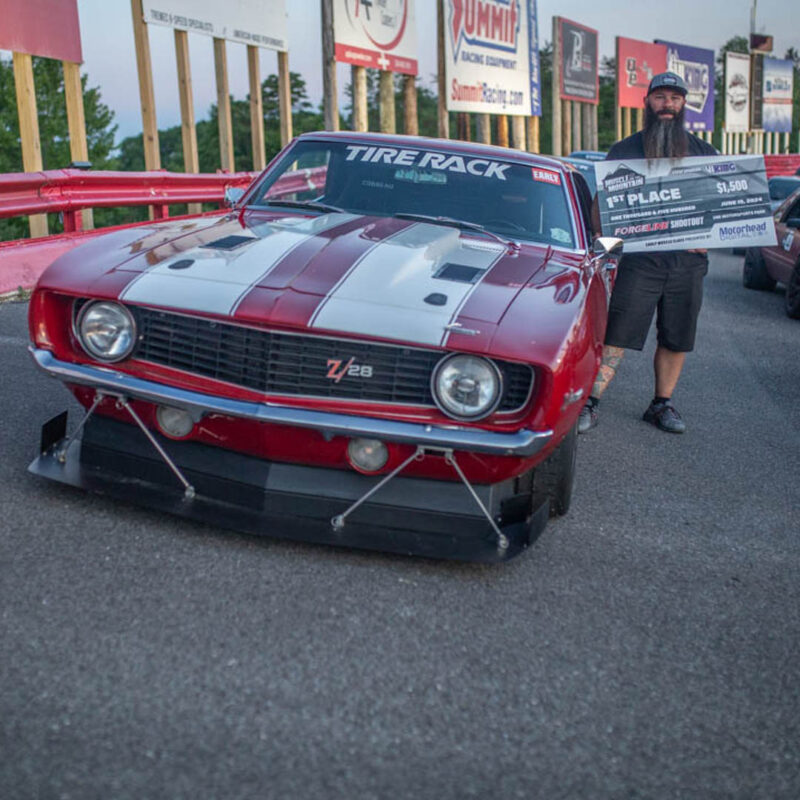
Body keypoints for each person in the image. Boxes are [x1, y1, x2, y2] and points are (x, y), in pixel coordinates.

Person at [579, 71, 718, 435]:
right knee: (617, 332)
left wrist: (709, 236)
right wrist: (602, 238)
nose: (667, 104)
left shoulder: (704, 152)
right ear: (647, 102)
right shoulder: (624, 150)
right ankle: (590, 401)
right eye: (660, 97)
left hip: (687, 262)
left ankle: (661, 404)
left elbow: (719, 206)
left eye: (674, 98)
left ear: (684, 104)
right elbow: (603, 204)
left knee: (677, 335)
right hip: (639, 260)